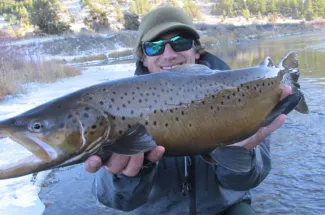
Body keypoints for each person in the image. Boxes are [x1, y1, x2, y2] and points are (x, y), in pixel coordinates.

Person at [84, 5, 291, 215]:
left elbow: (249, 179)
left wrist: (240, 152)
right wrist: (127, 176)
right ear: (143, 58)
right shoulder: (121, 107)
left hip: (225, 209)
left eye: (180, 43)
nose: (169, 54)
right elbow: (114, 200)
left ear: (196, 50)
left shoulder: (241, 94)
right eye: (154, 47)